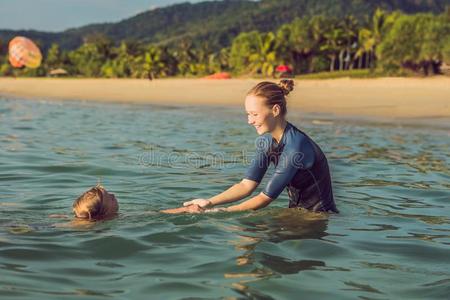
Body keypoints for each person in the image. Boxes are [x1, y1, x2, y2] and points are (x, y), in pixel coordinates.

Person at [163, 79, 338, 214]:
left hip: (318, 218)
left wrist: (221, 212)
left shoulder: (295, 147)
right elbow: (246, 185)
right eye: (248, 114)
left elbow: (265, 198)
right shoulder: (267, 143)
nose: (249, 121)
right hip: (297, 214)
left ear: (275, 110)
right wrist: (209, 202)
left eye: (254, 114)